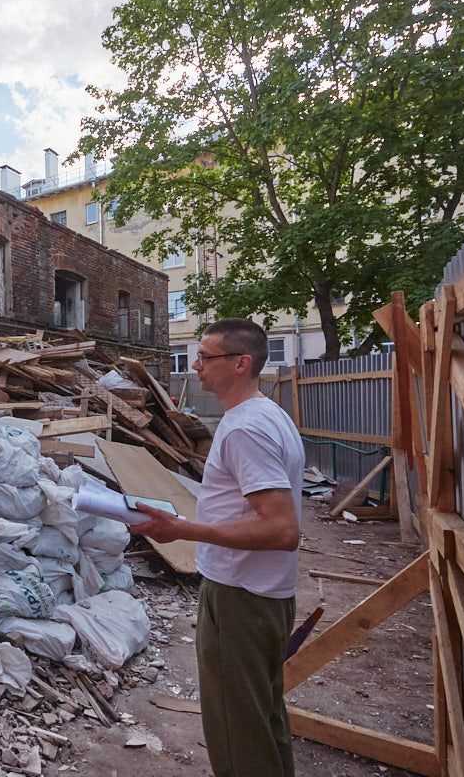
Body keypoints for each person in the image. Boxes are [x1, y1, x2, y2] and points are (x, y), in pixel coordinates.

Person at [130, 318, 304, 777]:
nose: (196, 366)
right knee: (262, 718)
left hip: (240, 596)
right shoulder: (268, 415)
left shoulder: (245, 428)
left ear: (241, 363)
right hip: (263, 594)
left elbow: (282, 530)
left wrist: (182, 529)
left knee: (237, 733)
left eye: (206, 357)